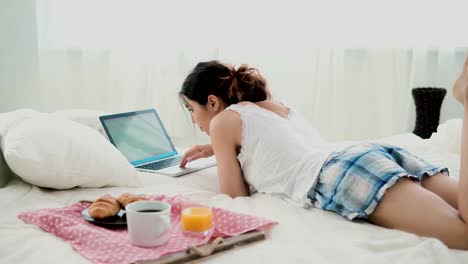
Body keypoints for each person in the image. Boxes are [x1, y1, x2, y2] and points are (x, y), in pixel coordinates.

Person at [178, 58, 468, 250]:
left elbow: (234, 196)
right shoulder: (272, 105)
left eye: (192, 109)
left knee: (463, 236)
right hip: (365, 154)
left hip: (341, 174)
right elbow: (271, 147)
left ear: (213, 102)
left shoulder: (222, 123)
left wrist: (219, 146)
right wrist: (220, 150)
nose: (194, 120)